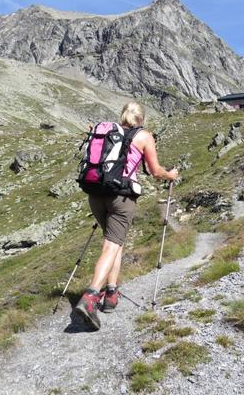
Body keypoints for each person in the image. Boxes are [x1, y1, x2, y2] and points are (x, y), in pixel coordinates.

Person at [72, 101, 179, 330]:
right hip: (122, 198)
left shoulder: (108, 131)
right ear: (142, 118)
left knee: (114, 242)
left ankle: (111, 294)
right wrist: (171, 175)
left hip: (96, 194)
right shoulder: (144, 136)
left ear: (123, 116)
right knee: (111, 245)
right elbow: (155, 171)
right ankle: (91, 297)